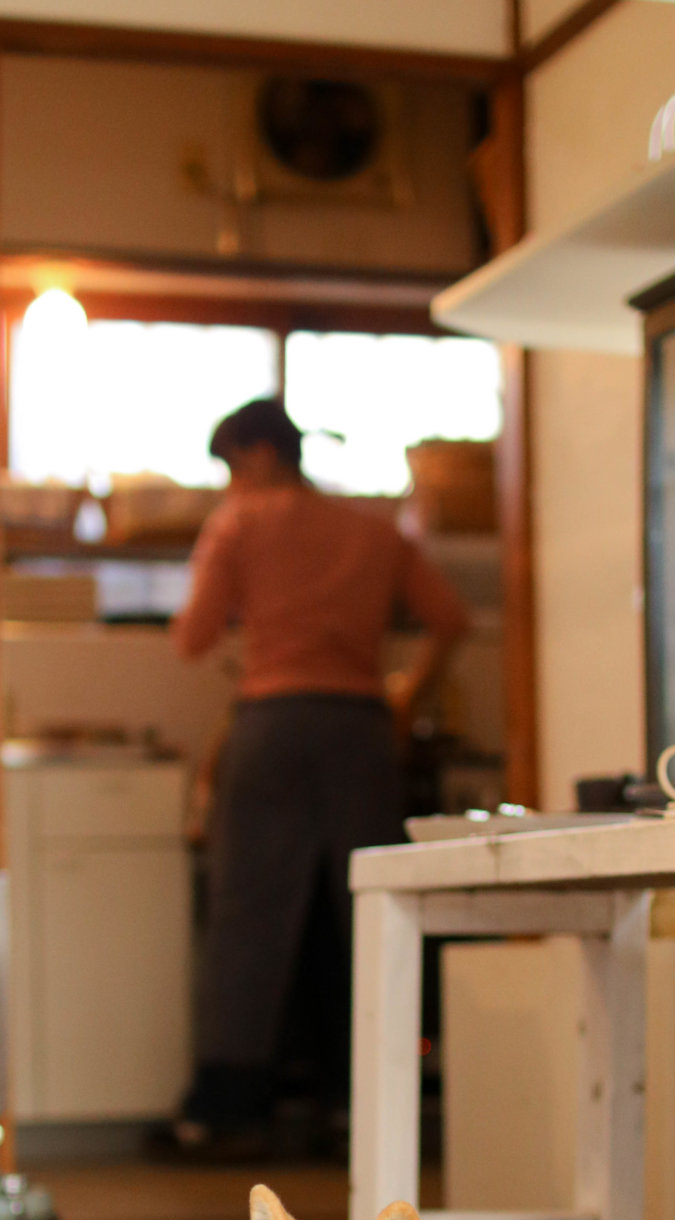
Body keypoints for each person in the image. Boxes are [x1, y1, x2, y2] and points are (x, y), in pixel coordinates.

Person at [170, 396, 469, 1153]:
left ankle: (228, 1105)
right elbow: (451, 620)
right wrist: (406, 696)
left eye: (232, 467)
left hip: (271, 726)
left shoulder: (238, 523)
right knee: (365, 908)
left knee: (249, 911)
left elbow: (192, 636)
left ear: (260, 454)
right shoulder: (375, 531)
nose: (231, 484)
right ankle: (359, 1098)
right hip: (360, 731)